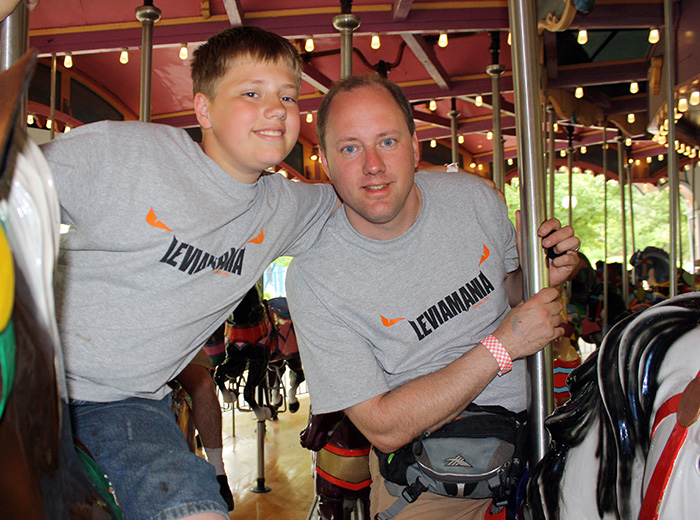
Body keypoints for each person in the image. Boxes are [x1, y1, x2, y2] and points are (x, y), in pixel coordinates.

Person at [41, 26, 338, 520]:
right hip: (28, 378)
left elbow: (371, 200)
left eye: (289, 96)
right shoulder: (126, 155)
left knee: (195, 511)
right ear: (203, 110)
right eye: (251, 93)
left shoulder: (286, 206)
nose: (277, 109)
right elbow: (16, 187)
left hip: (125, 404)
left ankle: (215, 472)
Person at [286, 75, 580, 519]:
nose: (373, 165)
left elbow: (507, 287)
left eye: (387, 141)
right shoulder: (314, 277)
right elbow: (383, 428)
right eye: (350, 148)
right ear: (325, 161)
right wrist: (503, 347)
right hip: (433, 469)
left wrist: (545, 273)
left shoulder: (475, 199)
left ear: (415, 146)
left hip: (545, 425)